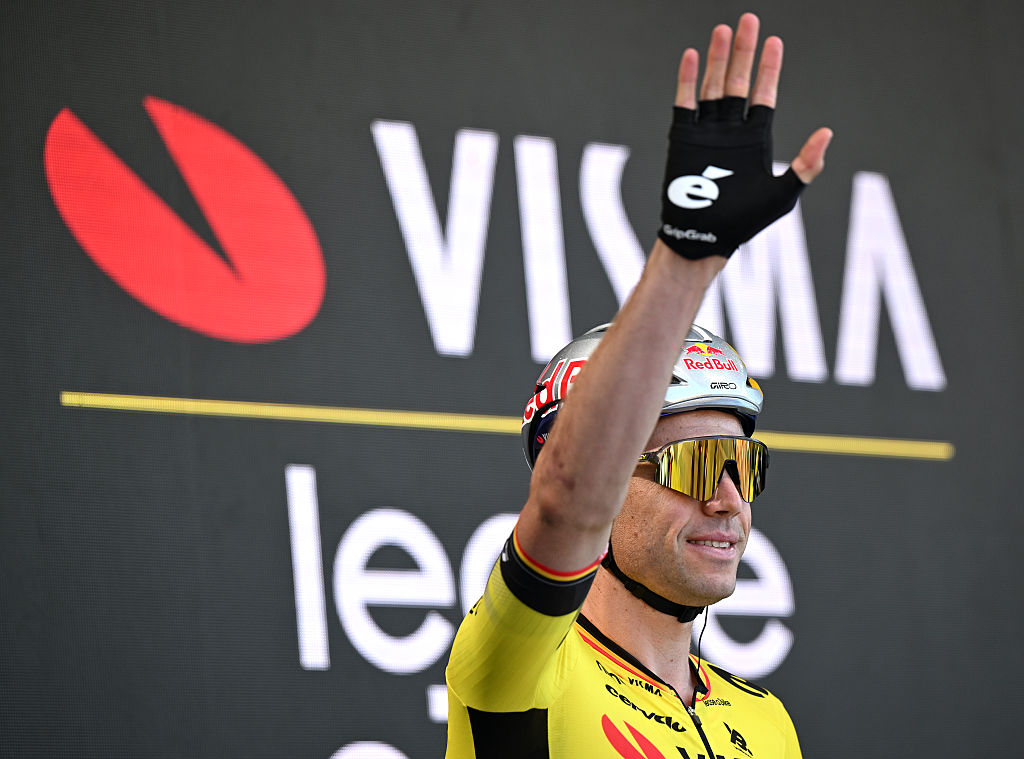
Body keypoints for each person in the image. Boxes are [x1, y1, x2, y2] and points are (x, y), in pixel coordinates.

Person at [445, 13, 832, 758]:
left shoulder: (767, 722)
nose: (729, 500)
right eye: (690, 465)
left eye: (742, 466)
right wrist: (685, 262)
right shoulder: (521, 666)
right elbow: (563, 501)